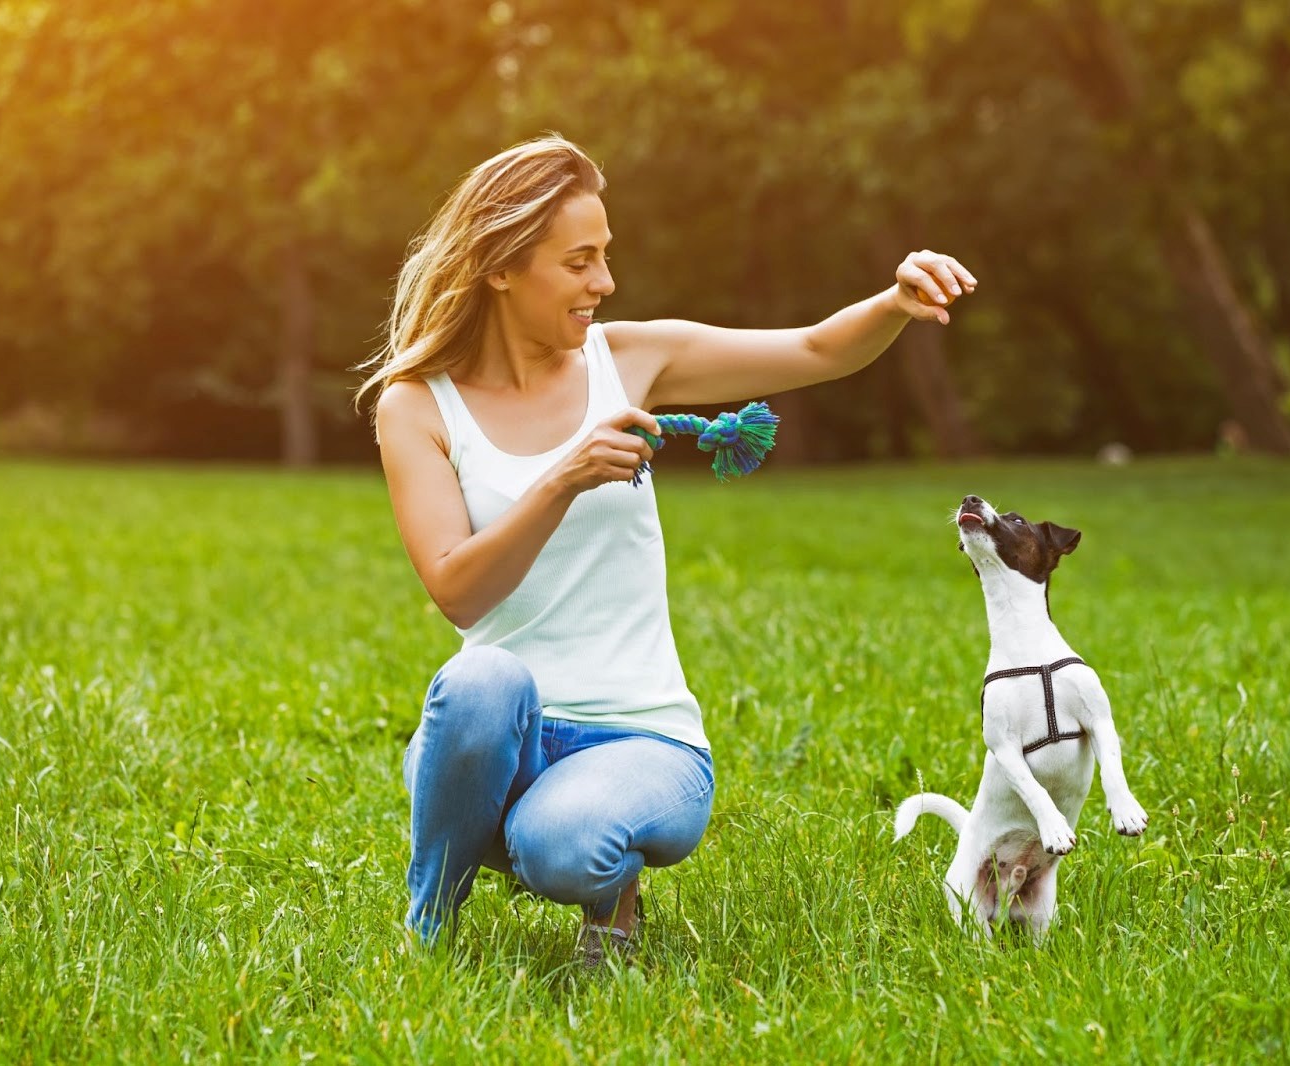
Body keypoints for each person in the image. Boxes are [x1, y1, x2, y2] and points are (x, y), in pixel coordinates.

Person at [356, 134, 975, 965]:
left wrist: (893, 302)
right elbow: (459, 593)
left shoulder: (631, 359)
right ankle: (428, 925)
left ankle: (608, 905)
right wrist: (562, 479)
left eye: (606, 257)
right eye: (579, 263)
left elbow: (816, 350)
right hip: (507, 737)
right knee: (477, 680)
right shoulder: (417, 406)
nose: (604, 283)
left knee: (561, 846)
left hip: (643, 744)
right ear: (500, 266)